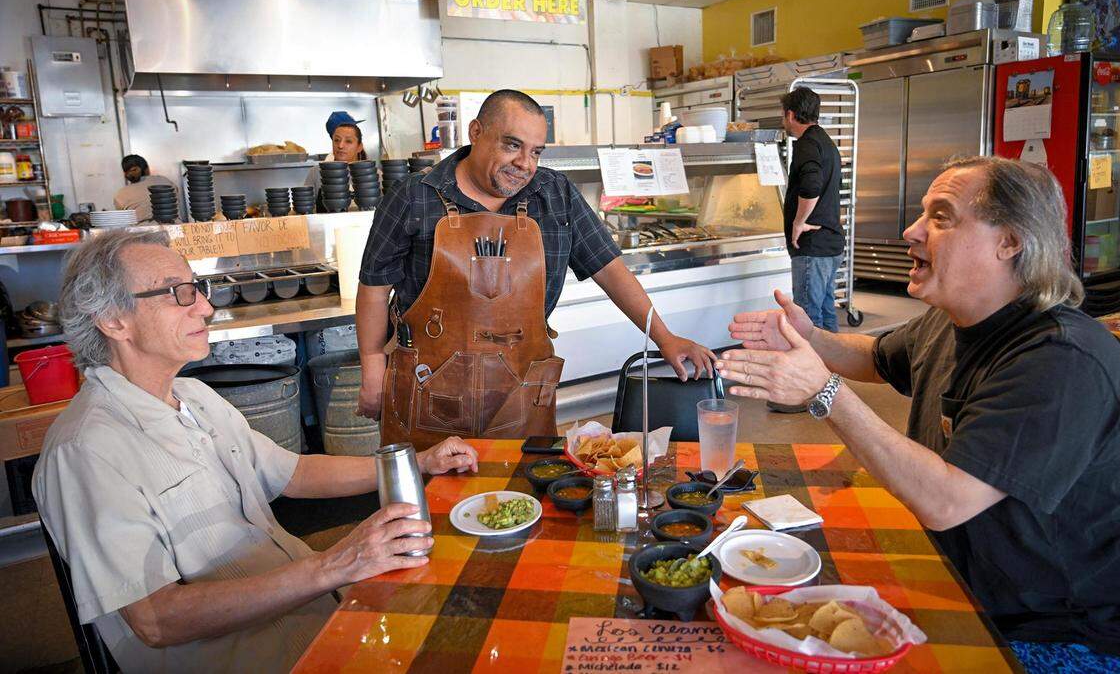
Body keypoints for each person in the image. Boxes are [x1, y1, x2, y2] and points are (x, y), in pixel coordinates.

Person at [718, 156, 1120, 668]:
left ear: (1011, 240)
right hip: (961, 584)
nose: (911, 230)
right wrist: (808, 337)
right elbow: (873, 357)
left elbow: (945, 500)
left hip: (1057, 633)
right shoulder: (953, 320)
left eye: (941, 216)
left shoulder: (1061, 361)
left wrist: (823, 391)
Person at [32, 230, 479, 674]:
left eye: (198, 290)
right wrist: (333, 565)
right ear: (113, 320)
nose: (205, 307)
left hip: (317, 618)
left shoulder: (193, 396)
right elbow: (155, 619)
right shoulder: (86, 451)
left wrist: (415, 463)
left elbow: (295, 473)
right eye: (179, 294)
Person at [355, 89, 715, 448]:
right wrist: (372, 363)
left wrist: (664, 337)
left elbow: (610, 270)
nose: (525, 163)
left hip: (522, 395)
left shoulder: (555, 195)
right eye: (512, 145)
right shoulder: (412, 197)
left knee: (525, 499)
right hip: (426, 393)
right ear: (476, 132)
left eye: (536, 152)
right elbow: (373, 287)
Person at [780, 88, 844, 332]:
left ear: (791, 115)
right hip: (831, 242)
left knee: (807, 320)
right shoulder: (825, 141)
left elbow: (812, 185)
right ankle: (833, 367)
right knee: (827, 313)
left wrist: (799, 222)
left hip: (813, 247)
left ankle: (811, 369)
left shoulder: (806, 144)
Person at [113, 154, 177, 218]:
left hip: (141, 227)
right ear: (147, 169)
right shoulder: (164, 180)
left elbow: (123, 219)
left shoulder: (120, 194)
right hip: (176, 226)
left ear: (125, 174)